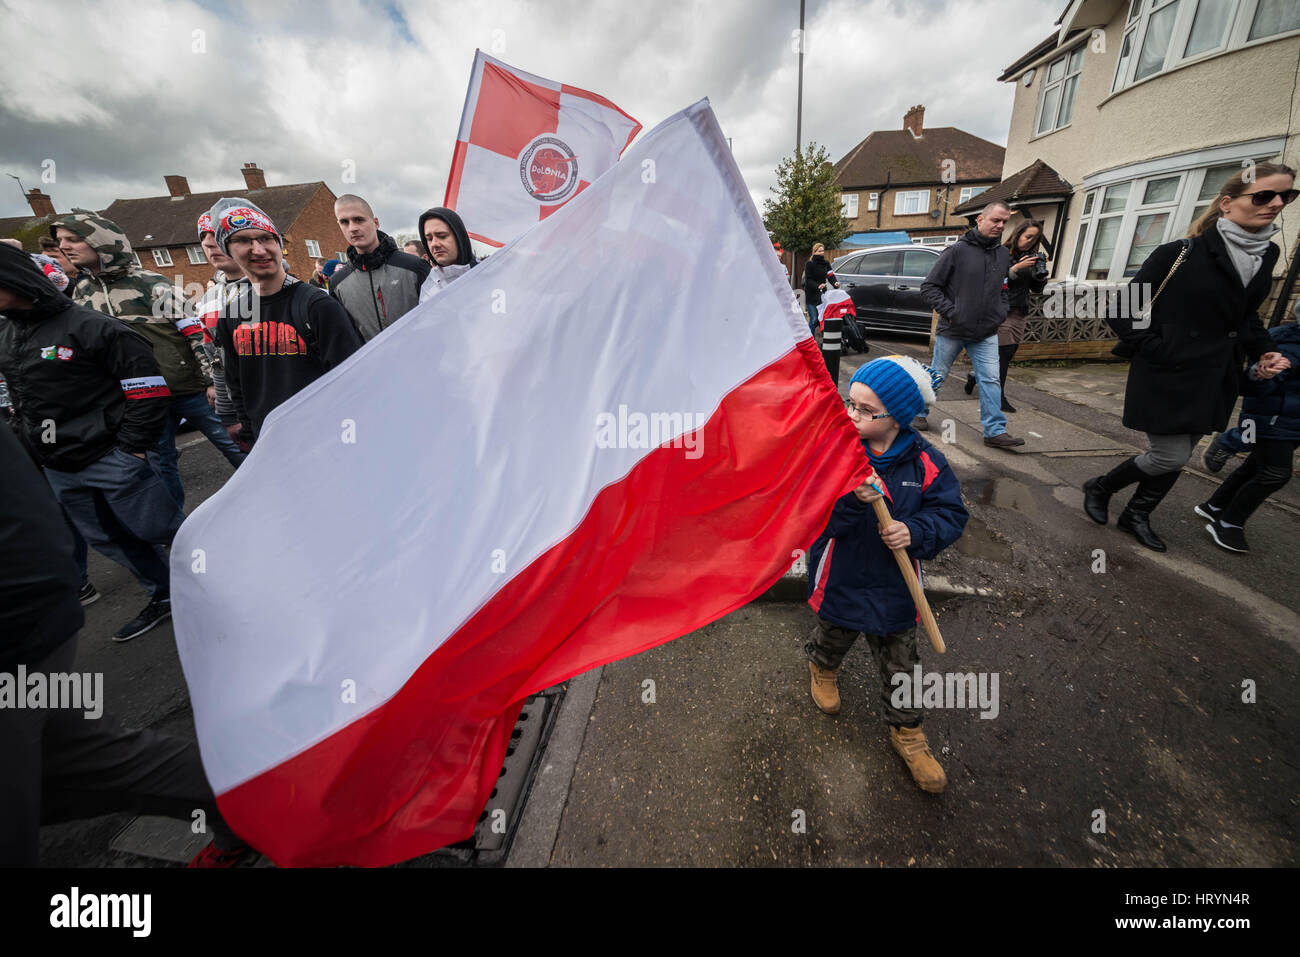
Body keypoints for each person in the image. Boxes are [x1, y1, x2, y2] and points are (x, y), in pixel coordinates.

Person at [0, 420, 254, 866]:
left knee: (161, 526)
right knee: (97, 761)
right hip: (29, 597)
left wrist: (130, 448)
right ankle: (248, 810)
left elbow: (142, 383)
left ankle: (255, 806)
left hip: (18, 613)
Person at [1084, 162, 1294, 551]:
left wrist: (1266, 351)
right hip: (1168, 372)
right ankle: (1101, 486)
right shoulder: (1179, 253)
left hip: (1216, 375)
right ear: (1228, 204)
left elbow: (1246, 317)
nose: (1277, 203)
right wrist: (1157, 347)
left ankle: (1136, 514)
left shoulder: (1267, 254)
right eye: (1264, 195)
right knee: (1170, 454)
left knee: (1177, 455)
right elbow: (1121, 310)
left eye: (1287, 196)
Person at [0, 243, 183, 641]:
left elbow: (149, 391)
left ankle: (229, 585)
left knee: (164, 529)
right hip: (60, 467)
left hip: (112, 457)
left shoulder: (94, 327)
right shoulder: (7, 333)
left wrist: (132, 449)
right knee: (109, 540)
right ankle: (167, 595)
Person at [804, 355, 969, 794]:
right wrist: (850, 499)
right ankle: (822, 668)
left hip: (897, 586)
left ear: (895, 417)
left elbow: (951, 514)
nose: (851, 414)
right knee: (832, 635)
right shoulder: (838, 455)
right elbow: (814, 517)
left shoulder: (926, 463)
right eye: (849, 403)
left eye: (864, 410)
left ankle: (908, 733)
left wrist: (914, 531)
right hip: (841, 575)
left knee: (903, 666)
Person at [53, 210, 242, 508]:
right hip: (140, 400)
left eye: (74, 239)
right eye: (61, 240)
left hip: (189, 390)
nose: (64, 246)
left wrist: (209, 381)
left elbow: (196, 332)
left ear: (102, 242)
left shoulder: (152, 284)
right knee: (160, 464)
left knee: (234, 443)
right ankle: (174, 531)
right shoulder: (82, 293)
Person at [210, 197, 364, 444]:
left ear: (278, 243)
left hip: (327, 440)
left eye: (265, 238)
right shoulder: (230, 316)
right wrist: (251, 435)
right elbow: (236, 385)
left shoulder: (317, 305)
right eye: (243, 240)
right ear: (227, 249)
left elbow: (353, 381)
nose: (258, 249)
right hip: (270, 443)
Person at [919, 201, 1025, 448]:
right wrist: (952, 312)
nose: (1000, 226)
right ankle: (918, 413)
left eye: (1004, 222)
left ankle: (994, 431)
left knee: (990, 379)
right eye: (995, 220)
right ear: (980, 219)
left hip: (986, 331)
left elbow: (1003, 290)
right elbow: (929, 287)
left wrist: (1000, 311)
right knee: (937, 375)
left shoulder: (1002, 255)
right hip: (953, 330)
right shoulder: (957, 251)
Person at [1194, 319, 1299, 553]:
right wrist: (1263, 374)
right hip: (1274, 421)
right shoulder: (1290, 344)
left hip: (1289, 422)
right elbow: (1259, 382)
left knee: (1255, 467)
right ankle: (1229, 523)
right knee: (1275, 474)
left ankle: (1215, 506)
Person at [1204, 294, 1300, 472]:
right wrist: (1262, 375)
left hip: (1289, 414)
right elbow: (1261, 377)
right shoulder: (1288, 343)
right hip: (1271, 410)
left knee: (1273, 448)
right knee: (1253, 437)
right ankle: (1225, 443)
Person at [964, 218, 1047, 414]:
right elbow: (993, 282)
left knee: (1007, 356)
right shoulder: (1002, 254)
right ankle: (998, 398)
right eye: (1028, 237)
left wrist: (1039, 274)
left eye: (1035, 238)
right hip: (1002, 311)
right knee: (1003, 354)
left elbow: (1036, 288)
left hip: (1020, 312)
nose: (1030, 241)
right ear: (1018, 235)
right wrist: (1016, 269)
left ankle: (974, 377)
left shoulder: (1032, 257)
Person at [328, 194, 429, 341]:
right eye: (345, 222)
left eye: (358, 219)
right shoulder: (337, 282)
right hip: (370, 364)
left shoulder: (415, 267)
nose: (353, 228)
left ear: (375, 223)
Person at [194, 211, 251, 452]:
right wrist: (228, 415)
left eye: (216, 234)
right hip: (241, 410)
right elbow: (216, 359)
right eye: (203, 236)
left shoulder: (278, 287)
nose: (208, 242)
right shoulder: (207, 301)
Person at [417, 207, 478, 302]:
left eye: (442, 236)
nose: (434, 244)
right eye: (429, 239)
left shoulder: (489, 276)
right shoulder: (428, 288)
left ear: (459, 237)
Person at [800, 243, 838, 334]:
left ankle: (809, 335)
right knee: (813, 320)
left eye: (822, 251)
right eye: (819, 251)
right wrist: (818, 285)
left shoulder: (826, 263)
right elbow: (808, 280)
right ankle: (810, 341)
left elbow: (830, 275)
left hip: (822, 296)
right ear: (814, 252)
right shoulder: (809, 264)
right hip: (811, 296)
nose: (822, 253)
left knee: (819, 320)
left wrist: (835, 282)